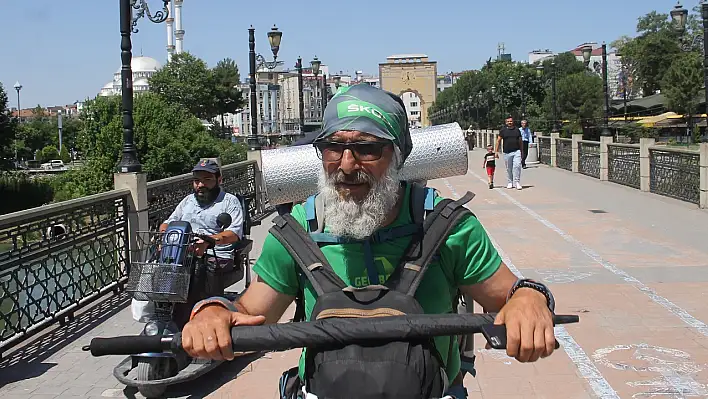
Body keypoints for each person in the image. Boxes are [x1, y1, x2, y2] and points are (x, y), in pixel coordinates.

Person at [181, 85, 557, 399]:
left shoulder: (447, 227)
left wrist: (530, 300)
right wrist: (214, 312)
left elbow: (512, 296)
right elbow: (250, 318)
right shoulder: (298, 231)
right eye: (334, 147)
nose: (346, 165)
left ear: (398, 155)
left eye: (366, 148)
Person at [495, 116, 524, 190]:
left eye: (511, 121)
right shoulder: (503, 130)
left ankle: (517, 182)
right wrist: (496, 151)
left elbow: (520, 141)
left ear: (513, 121)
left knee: (517, 166)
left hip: (516, 151)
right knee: (509, 168)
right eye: (508, 121)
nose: (509, 123)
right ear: (506, 122)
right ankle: (510, 182)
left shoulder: (517, 130)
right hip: (507, 152)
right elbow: (498, 140)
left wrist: (522, 151)